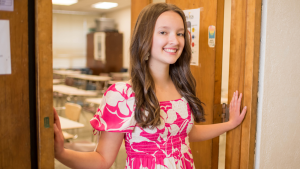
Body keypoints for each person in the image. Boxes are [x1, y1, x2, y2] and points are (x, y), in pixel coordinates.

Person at [53, 3, 247, 169]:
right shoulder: (123, 95)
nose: (175, 40)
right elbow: (102, 159)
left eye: (180, 33)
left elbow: (186, 132)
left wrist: (229, 124)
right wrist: (61, 153)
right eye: (164, 32)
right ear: (145, 38)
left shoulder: (181, 86)